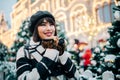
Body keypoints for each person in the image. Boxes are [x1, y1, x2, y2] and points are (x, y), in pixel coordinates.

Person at [16, 10, 81, 80]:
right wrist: (50, 54)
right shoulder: (25, 51)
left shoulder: (59, 47)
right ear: (35, 29)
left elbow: (76, 76)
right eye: (43, 25)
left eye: (51, 24)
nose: (49, 29)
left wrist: (62, 55)